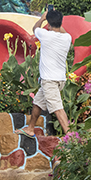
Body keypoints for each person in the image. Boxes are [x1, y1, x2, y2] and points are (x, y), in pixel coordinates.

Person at [21, 7, 73, 137]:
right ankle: (30, 128)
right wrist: (54, 21)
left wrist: (43, 18)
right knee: (38, 102)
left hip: (49, 80)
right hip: (59, 79)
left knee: (57, 109)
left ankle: (73, 140)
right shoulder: (67, 38)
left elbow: (35, 29)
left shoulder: (45, 35)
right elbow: (61, 30)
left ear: (48, 24)